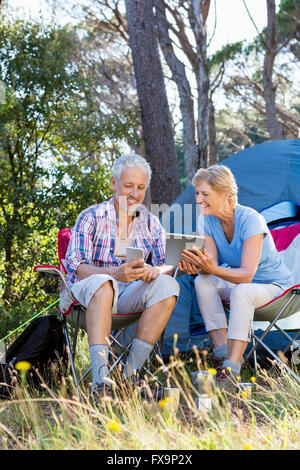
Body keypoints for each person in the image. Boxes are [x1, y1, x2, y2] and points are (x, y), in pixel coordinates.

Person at [61, 154, 179, 399]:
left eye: (141, 187)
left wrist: (155, 271)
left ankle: (129, 378)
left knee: (168, 284)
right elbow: (78, 267)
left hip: (127, 296)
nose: (135, 194)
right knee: (104, 283)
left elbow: (166, 264)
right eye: (128, 186)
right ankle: (101, 383)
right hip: (85, 298)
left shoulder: (150, 222)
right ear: (114, 184)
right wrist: (115, 273)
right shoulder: (91, 216)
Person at [179, 164, 294, 390]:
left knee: (242, 289)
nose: (199, 200)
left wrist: (210, 267)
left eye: (205, 194)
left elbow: (247, 275)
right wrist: (195, 266)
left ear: (226, 194)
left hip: (275, 289)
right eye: (197, 193)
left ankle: (232, 370)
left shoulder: (251, 220)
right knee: (203, 281)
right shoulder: (206, 221)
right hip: (242, 289)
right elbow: (210, 267)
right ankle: (223, 356)